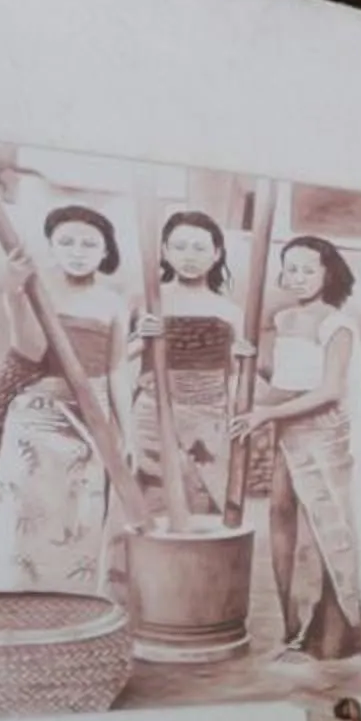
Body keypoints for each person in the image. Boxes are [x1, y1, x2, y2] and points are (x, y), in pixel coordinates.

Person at [0, 204, 134, 596]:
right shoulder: (36, 291)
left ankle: (71, 601)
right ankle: (11, 597)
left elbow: (116, 372)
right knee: (24, 507)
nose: (78, 250)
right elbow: (30, 349)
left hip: (92, 416)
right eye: (67, 242)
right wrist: (14, 296)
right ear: (52, 248)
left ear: (106, 251)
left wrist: (127, 435)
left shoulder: (113, 303)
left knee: (81, 510)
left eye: (89, 243)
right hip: (38, 414)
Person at [239, 235, 361, 660]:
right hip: (289, 428)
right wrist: (247, 359)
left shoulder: (337, 323)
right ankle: (290, 623)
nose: (298, 277)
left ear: (327, 273)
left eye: (309, 269)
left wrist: (266, 414)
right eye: (291, 269)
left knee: (329, 527)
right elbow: (281, 379)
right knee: (280, 514)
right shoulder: (283, 320)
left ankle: (332, 632)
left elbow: (328, 389)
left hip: (326, 430)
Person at [130, 209, 246, 520]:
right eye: (179, 247)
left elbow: (234, 376)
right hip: (153, 415)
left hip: (208, 418)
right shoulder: (147, 302)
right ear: (165, 252)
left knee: (203, 501)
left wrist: (238, 417)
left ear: (217, 253)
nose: (189, 256)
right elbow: (117, 361)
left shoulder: (229, 311)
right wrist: (139, 338)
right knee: (153, 501)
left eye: (199, 248)